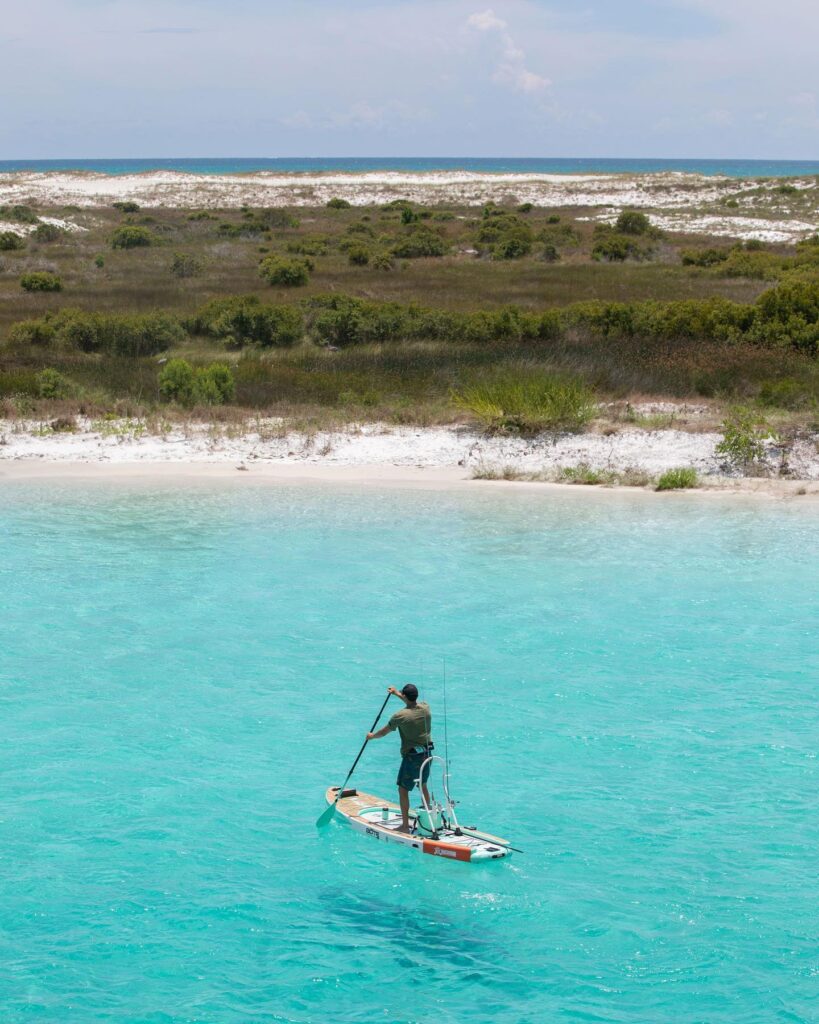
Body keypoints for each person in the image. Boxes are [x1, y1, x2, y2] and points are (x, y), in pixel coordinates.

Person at [367, 684, 433, 833]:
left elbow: (383, 732)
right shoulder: (426, 708)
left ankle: (404, 826)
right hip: (427, 755)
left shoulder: (400, 716)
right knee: (422, 785)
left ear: (405, 696)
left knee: (403, 790)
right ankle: (429, 821)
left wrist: (371, 737)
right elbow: (410, 702)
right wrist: (397, 693)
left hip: (412, 758)